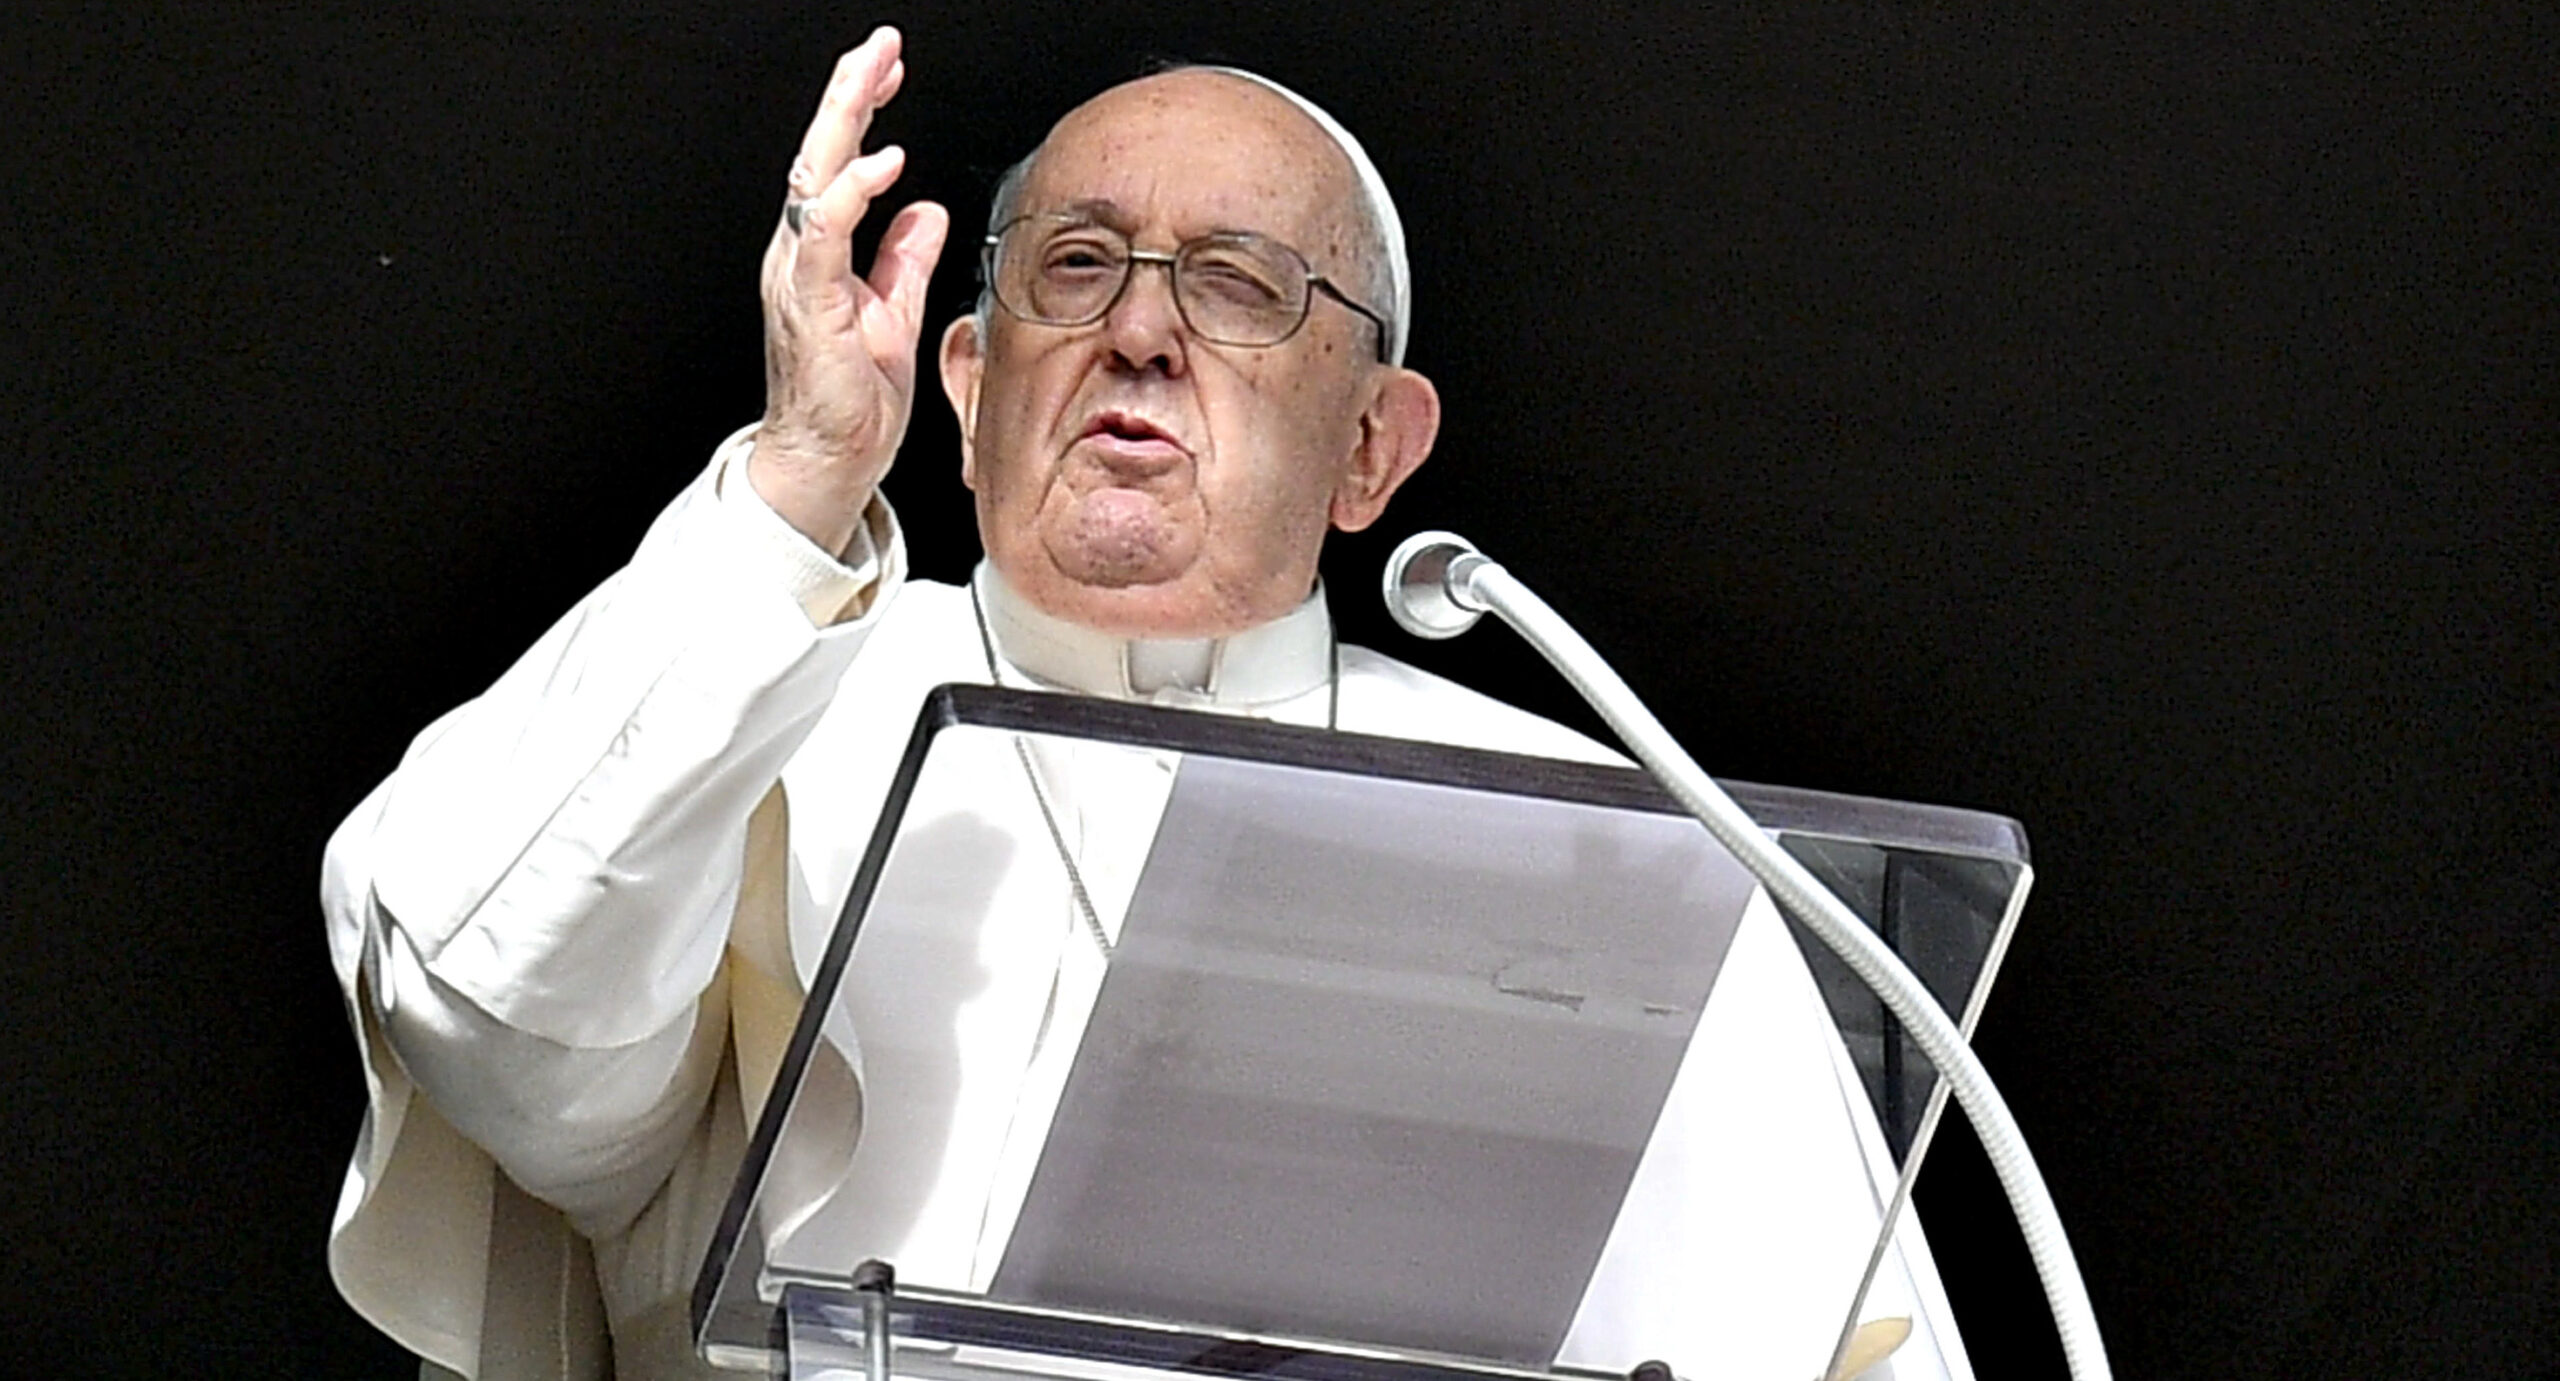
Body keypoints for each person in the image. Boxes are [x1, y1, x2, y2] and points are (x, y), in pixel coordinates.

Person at [322, 29, 1970, 1381]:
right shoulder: (746, 685)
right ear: (968, 388)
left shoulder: (1610, 845)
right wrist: (800, 479)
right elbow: (496, 1040)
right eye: (1079, 264)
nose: (1139, 332)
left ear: (1374, 448)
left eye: (1243, 286)